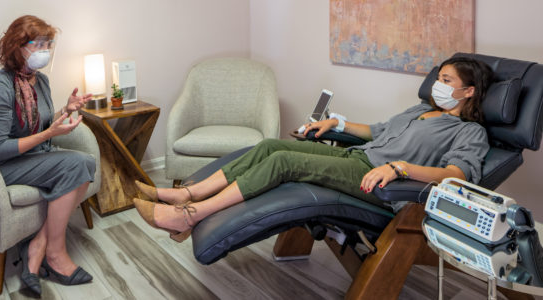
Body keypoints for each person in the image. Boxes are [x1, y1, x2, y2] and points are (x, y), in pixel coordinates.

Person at [133, 56, 494, 243]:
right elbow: (378, 131)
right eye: (438, 78)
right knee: (272, 145)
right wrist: (336, 123)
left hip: (380, 184)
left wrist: (401, 169)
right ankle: (184, 194)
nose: (438, 85)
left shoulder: (470, 132)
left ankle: (189, 215)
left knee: (284, 162)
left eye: (447, 81)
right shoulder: (422, 110)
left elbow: (456, 176)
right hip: (359, 157)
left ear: (469, 91)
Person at [0, 15, 94, 295]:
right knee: (77, 164)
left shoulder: (40, 81)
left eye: (48, 44)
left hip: (31, 157)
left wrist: (66, 110)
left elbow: (40, 126)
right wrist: (48, 136)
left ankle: (38, 245)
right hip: (2, 166)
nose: (45, 50)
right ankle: (54, 255)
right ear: (17, 46)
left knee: (86, 162)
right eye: (38, 43)